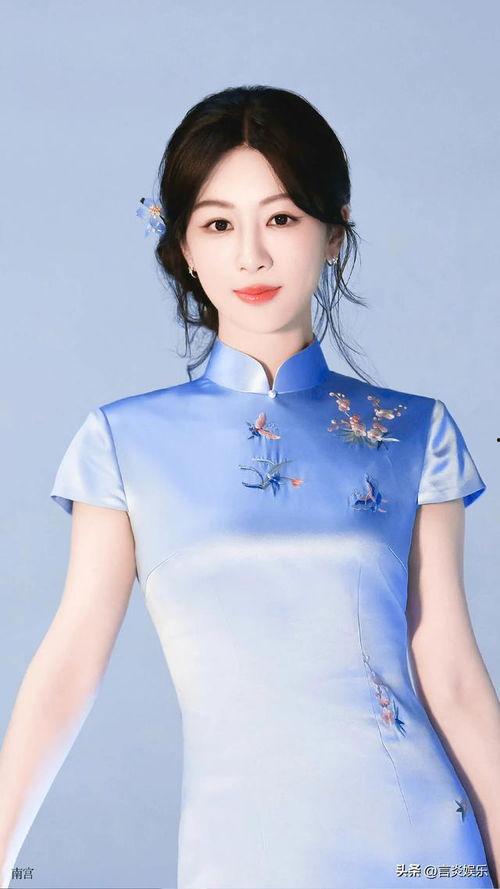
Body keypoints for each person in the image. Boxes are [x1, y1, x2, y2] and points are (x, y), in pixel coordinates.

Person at [1, 85, 498, 889]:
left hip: (423, 853)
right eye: (219, 224)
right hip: (240, 858)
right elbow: (68, 668)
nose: (252, 256)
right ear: (185, 247)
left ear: (334, 234)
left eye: (283, 218)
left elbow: (453, 677)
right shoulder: (124, 443)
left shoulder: (414, 432)